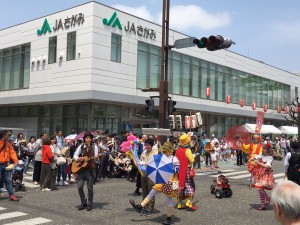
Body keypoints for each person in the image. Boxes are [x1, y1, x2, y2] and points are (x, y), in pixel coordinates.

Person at [129, 141, 179, 225]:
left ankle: (169, 218)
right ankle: (140, 206)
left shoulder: (174, 158)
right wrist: (144, 163)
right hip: (163, 179)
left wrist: (169, 168)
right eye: (164, 150)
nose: (165, 152)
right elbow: (154, 165)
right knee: (153, 190)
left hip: (172, 180)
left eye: (166, 151)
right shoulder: (162, 157)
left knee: (169, 199)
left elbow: (178, 169)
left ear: (170, 151)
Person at [73, 132, 99, 211]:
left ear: (91, 139)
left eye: (89, 138)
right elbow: (75, 155)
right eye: (87, 138)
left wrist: (96, 158)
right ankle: (83, 202)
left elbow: (96, 160)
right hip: (81, 169)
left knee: (90, 188)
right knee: (80, 186)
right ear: (84, 139)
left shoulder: (95, 147)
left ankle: (89, 203)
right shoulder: (81, 146)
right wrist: (79, 159)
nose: (88, 140)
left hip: (90, 169)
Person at [250, 144, 275, 210]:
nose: (263, 150)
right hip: (259, 173)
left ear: (268, 150)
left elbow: (268, 166)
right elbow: (256, 156)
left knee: (260, 187)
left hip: (265, 174)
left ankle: (266, 198)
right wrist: (253, 158)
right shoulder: (261, 154)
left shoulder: (270, 157)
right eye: (263, 148)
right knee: (259, 188)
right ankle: (263, 204)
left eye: (265, 149)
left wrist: (258, 163)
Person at [176, 133, 196, 210]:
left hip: (179, 170)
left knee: (181, 186)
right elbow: (192, 160)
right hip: (186, 170)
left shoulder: (177, 150)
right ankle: (189, 202)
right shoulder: (187, 150)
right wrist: (193, 157)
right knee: (190, 186)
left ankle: (180, 204)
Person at [139, 138, 156, 216]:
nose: (147, 146)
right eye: (146, 145)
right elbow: (140, 162)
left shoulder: (155, 154)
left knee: (151, 192)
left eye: (148, 145)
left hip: (151, 175)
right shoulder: (143, 153)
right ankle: (144, 207)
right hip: (143, 174)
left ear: (152, 146)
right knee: (144, 192)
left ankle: (150, 209)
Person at [0, 130, 19, 201]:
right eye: (8, 135)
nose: (9, 136)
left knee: (8, 180)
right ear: (3, 135)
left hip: (6, 165)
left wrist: (16, 161)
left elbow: (12, 153)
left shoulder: (8, 144)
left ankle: (11, 195)